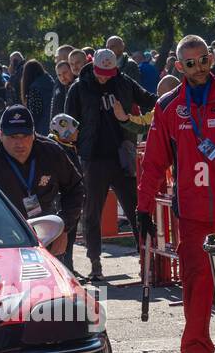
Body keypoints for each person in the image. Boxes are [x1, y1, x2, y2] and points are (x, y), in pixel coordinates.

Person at [138, 36, 215, 353]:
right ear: (179, 67)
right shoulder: (168, 106)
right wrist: (143, 208)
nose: (199, 68)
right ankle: (197, 351)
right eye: (190, 63)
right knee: (196, 282)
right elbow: (155, 162)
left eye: (204, 60)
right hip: (191, 213)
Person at [64, 47, 157, 283]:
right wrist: (73, 139)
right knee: (92, 211)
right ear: (92, 67)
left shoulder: (123, 81)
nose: (105, 76)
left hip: (122, 155)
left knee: (136, 208)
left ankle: (146, 261)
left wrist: (165, 103)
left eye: (109, 72)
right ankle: (95, 262)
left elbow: (150, 101)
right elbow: (68, 122)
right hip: (92, 157)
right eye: (100, 72)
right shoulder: (79, 87)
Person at [0, 105, 85, 272]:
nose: (20, 143)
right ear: (0, 135)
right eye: (13, 136)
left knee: (52, 292)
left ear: (34, 134)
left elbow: (76, 188)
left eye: (25, 135)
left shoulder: (51, 152)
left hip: (47, 234)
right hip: (5, 240)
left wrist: (64, 226)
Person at [20, 59, 58, 136]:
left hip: (42, 129)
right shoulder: (51, 81)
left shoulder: (34, 88)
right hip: (55, 125)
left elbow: (35, 113)